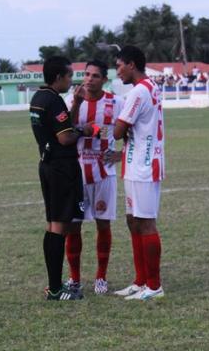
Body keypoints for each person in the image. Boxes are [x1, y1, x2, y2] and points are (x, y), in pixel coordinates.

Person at [29, 56, 97, 301]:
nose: (72, 80)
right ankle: (56, 289)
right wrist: (84, 130)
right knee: (59, 226)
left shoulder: (38, 98)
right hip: (61, 168)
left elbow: (58, 126)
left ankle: (54, 286)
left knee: (52, 225)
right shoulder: (54, 100)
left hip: (47, 166)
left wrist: (76, 104)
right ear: (58, 77)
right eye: (69, 76)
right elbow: (65, 137)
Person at [63, 60, 124, 296]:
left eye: (95, 76)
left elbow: (128, 131)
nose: (89, 79)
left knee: (103, 224)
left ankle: (101, 277)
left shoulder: (116, 102)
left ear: (104, 80)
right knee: (73, 227)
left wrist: (120, 153)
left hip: (104, 173)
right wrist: (77, 104)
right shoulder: (72, 99)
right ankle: (75, 278)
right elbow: (67, 130)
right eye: (86, 74)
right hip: (76, 172)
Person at [112, 45, 165, 301]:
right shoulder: (150, 87)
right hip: (136, 163)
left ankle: (154, 286)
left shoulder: (139, 92)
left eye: (119, 65)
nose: (117, 71)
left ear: (131, 64)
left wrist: (111, 127)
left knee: (145, 222)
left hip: (144, 166)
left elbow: (118, 131)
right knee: (133, 220)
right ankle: (140, 280)